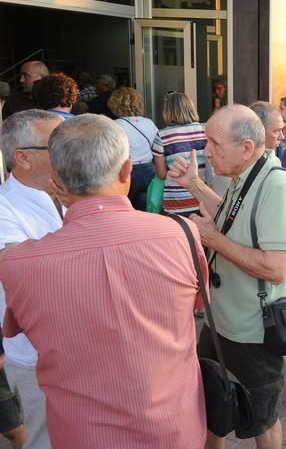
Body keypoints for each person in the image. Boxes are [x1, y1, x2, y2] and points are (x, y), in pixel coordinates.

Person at [0, 114, 207, 448]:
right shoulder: (182, 233)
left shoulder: (21, 262)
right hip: (173, 425)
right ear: (127, 171)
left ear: (57, 177)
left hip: (83, 432)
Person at [176, 102, 286, 404]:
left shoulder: (276, 186)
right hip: (221, 322)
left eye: (214, 143)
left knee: (262, 420)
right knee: (212, 408)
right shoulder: (245, 176)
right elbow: (228, 216)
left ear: (247, 148)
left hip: (252, 331)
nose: (207, 152)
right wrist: (195, 186)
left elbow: (276, 268)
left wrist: (214, 240)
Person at [0, 109, 64, 448]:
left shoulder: (68, 190)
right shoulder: (4, 208)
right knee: (43, 438)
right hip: (35, 353)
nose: (68, 151)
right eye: (56, 144)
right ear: (21, 157)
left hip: (77, 345)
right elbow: (20, 272)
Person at [152, 91, 208, 216]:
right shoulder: (205, 131)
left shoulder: (162, 135)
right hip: (204, 198)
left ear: (167, 111)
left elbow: (161, 174)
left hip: (177, 201)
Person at [109, 87, 158, 211]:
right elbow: (157, 147)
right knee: (147, 206)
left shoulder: (115, 125)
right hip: (149, 170)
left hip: (127, 171)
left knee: (127, 208)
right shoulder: (149, 123)